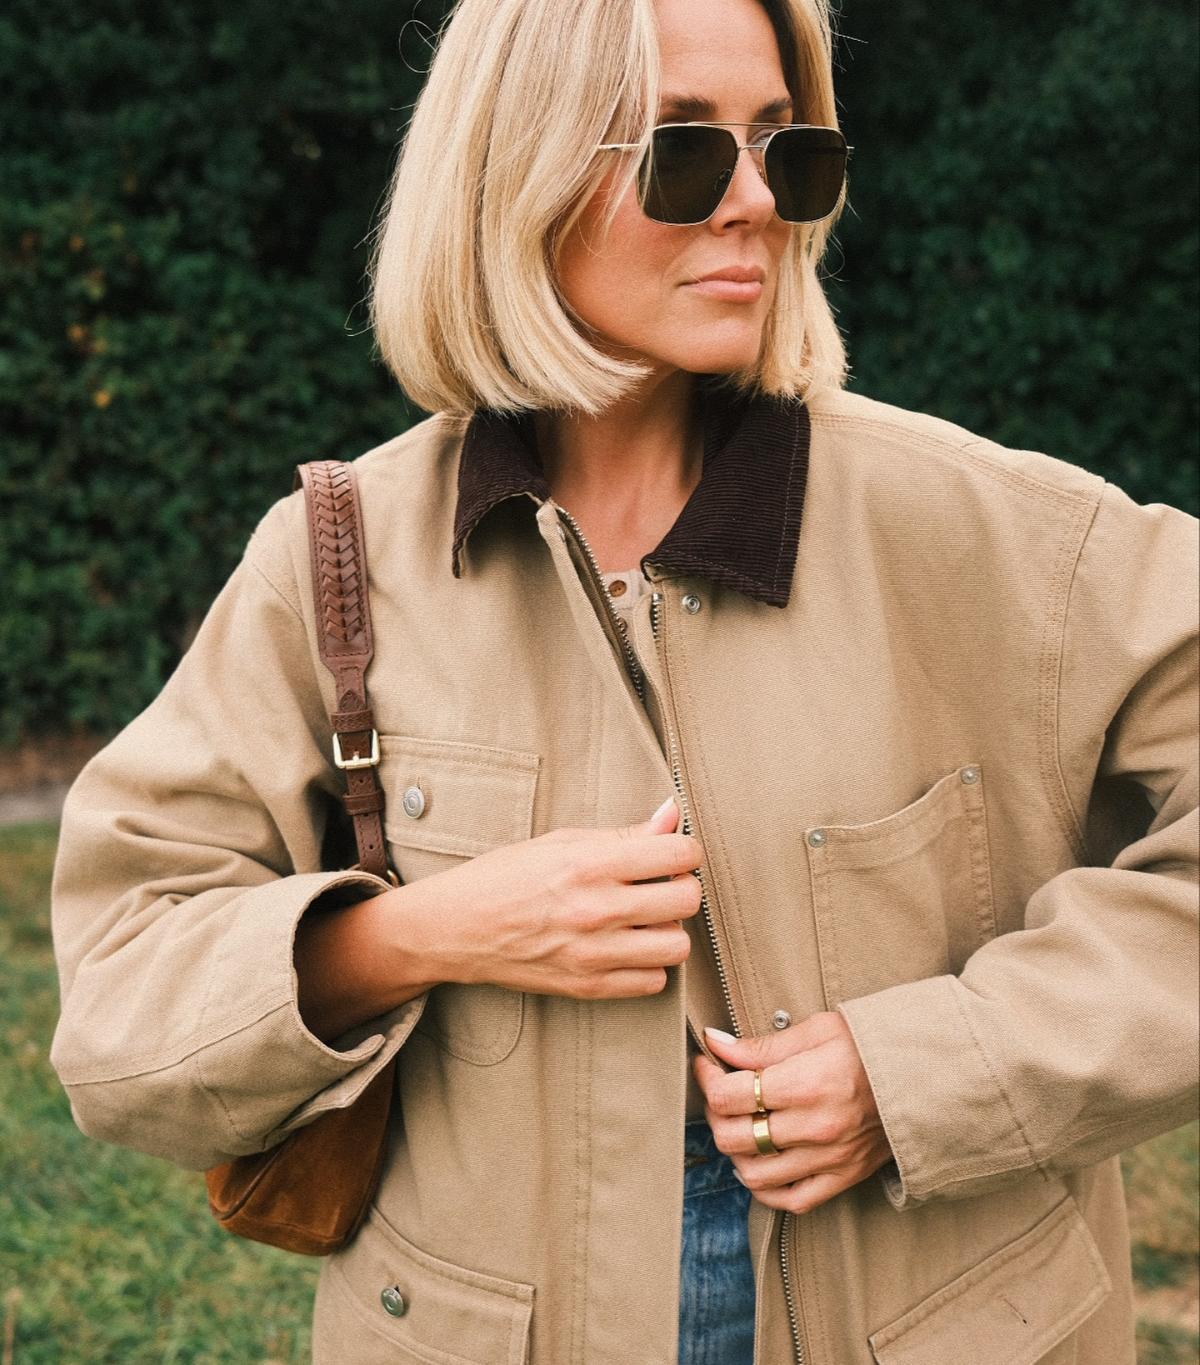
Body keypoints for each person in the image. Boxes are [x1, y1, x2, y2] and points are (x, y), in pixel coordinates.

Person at [50, 0, 1197, 1361]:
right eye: (684, 151)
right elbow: (121, 1010)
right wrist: (424, 933)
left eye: (787, 145)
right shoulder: (337, 557)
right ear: (519, 171)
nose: (758, 201)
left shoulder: (992, 531)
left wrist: (925, 1075)